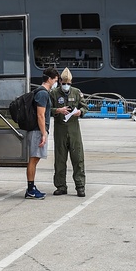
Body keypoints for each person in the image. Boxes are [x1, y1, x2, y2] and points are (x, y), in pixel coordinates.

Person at [50, 68, 88, 197]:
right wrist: (58, 110)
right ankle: (61, 186)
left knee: (78, 159)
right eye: (64, 83)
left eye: (69, 83)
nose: (66, 85)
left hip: (74, 130)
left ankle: (80, 186)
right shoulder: (54, 93)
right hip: (60, 129)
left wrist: (80, 112)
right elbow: (47, 109)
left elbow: (84, 107)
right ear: (60, 81)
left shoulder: (76, 93)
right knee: (60, 159)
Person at [25, 67, 60, 200]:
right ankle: (30, 189)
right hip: (37, 130)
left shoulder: (40, 92)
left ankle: (31, 188)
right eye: (55, 80)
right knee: (33, 159)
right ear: (50, 79)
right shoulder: (43, 93)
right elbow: (40, 115)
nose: (56, 83)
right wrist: (43, 133)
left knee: (35, 159)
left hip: (37, 130)